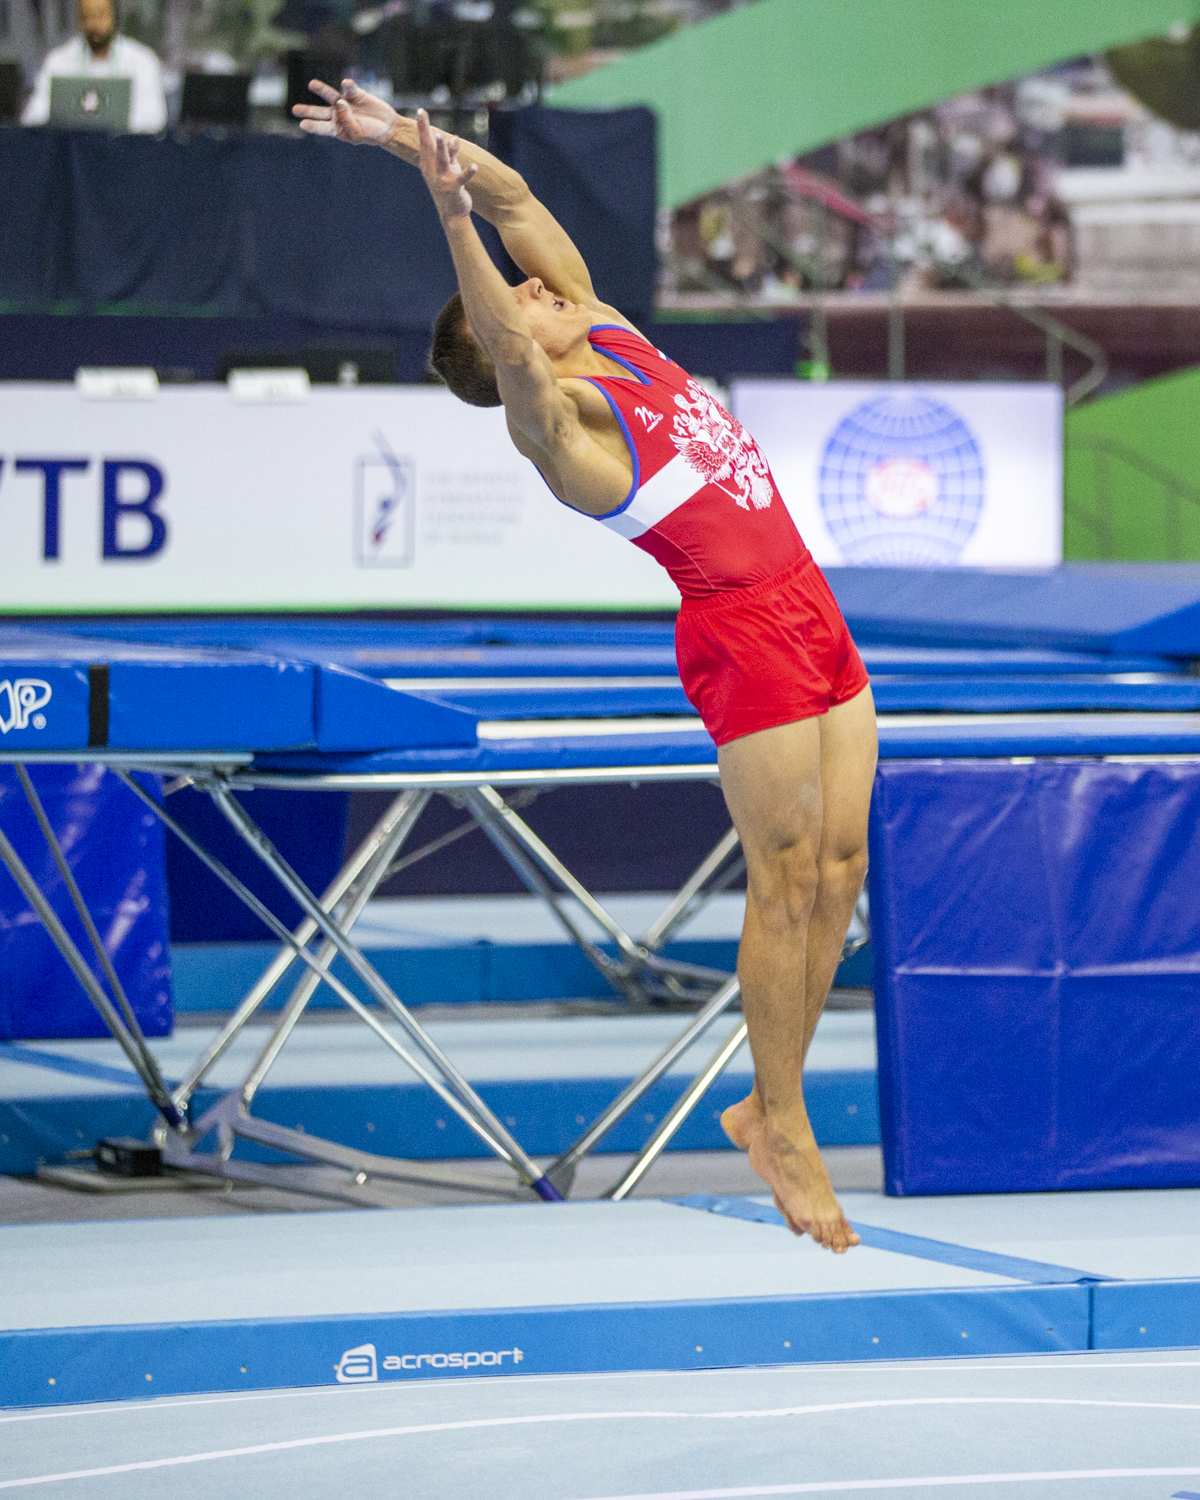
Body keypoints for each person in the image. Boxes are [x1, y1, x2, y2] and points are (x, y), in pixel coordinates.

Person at [294, 80, 879, 1254]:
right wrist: (450, 225)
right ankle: (789, 1124)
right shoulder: (561, 426)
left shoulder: (610, 328)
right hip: (739, 626)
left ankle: (769, 1099)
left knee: (844, 868)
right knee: (783, 876)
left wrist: (419, 147)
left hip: (813, 603)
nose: (535, 284)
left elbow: (514, 195)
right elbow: (504, 331)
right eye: (516, 295)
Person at [22, 0, 167, 132]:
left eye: (101, 15)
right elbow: (32, 117)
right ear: (78, 19)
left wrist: (107, 125)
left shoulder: (142, 60)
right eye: (87, 16)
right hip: (71, 153)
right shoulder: (58, 61)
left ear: (114, 17)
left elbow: (154, 118)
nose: (94, 24)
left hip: (123, 152)